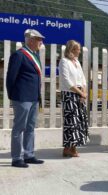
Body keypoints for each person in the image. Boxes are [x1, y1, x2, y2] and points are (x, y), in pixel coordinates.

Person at [6, 29, 45, 168]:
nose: (41, 42)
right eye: (39, 39)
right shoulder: (19, 55)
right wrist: (13, 96)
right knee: (19, 128)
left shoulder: (36, 55)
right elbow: (11, 78)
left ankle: (29, 155)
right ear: (31, 40)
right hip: (22, 98)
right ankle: (16, 158)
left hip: (34, 98)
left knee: (30, 127)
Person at [59, 40, 89, 157]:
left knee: (79, 122)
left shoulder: (77, 62)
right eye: (78, 49)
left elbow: (83, 79)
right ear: (71, 49)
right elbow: (67, 81)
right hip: (69, 94)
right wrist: (81, 93)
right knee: (71, 122)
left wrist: (84, 93)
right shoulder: (64, 61)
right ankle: (69, 148)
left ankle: (71, 148)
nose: (79, 51)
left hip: (80, 93)